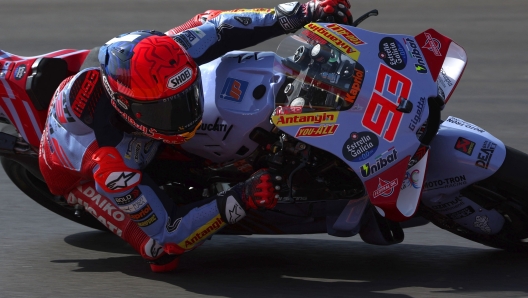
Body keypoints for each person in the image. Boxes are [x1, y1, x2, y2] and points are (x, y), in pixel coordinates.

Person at [38, 0, 353, 272]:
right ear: (126, 107)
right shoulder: (111, 165)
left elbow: (219, 26)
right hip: (75, 171)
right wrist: (242, 196)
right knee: (161, 254)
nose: (184, 115)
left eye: (186, 98)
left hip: (106, 79)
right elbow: (169, 231)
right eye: (166, 111)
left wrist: (301, 11)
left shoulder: (164, 54)